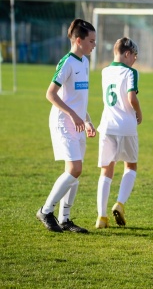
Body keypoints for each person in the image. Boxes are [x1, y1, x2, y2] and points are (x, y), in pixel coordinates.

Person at [36, 18, 96, 233]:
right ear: (78, 41)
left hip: (78, 123)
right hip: (63, 122)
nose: (94, 45)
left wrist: (87, 120)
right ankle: (45, 210)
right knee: (74, 168)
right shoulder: (67, 62)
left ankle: (65, 219)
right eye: (91, 41)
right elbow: (50, 94)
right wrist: (72, 115)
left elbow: (79, 100)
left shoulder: (85, 62)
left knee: (75, 171)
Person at [95, 37, 142, 229]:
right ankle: (120, 204)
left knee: (106, 170)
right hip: (126, 125)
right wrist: (139, 112)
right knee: (130, 166)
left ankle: (101, 217)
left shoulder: (105, 71)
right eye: (134, 56)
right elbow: (131, 97)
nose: (135, 60)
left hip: (107, 125)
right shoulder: (131, 72)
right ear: (127, 53)